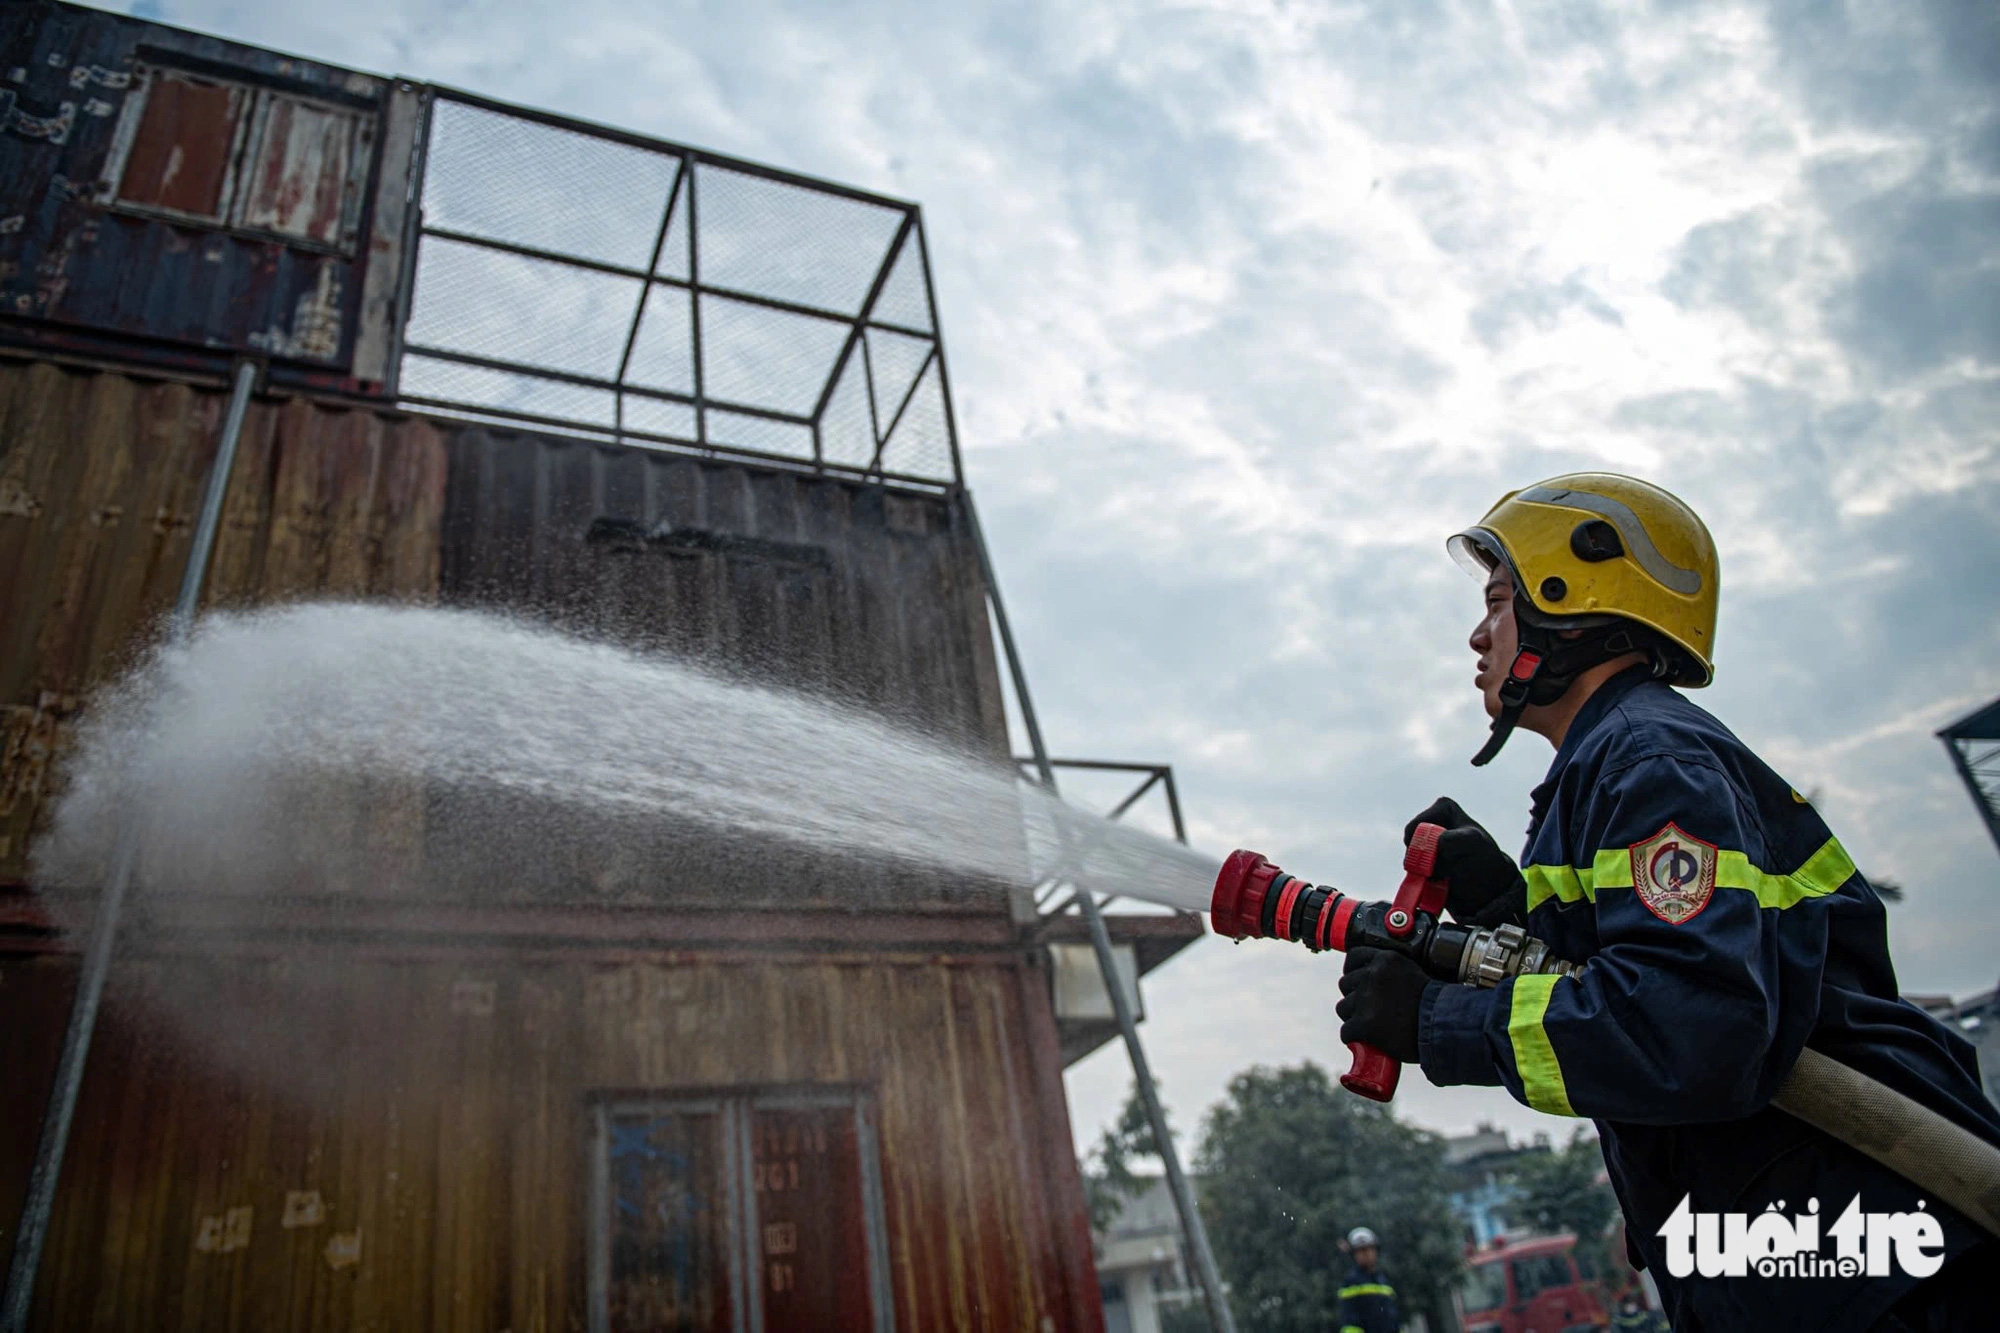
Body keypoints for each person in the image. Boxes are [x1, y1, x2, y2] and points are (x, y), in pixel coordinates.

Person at [1331, 474, 2000, 1332]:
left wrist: (1438, 1025)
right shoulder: (1613, 767)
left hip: (1865, 1265)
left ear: (1568, 602)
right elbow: (1625, 967)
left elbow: (1691, 1027)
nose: (1476, 633)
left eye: (1499, 600)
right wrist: (1507, 902)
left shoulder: (1651, 761)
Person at [1336, 1226, 1399, 1333]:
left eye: (1370, 1248)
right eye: (1361, 1250)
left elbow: (1392, 1318)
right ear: (1354, 1254)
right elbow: (1350, 1321)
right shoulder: (1351, 1281)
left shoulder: (1383, 1281)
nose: (1367, 1254)